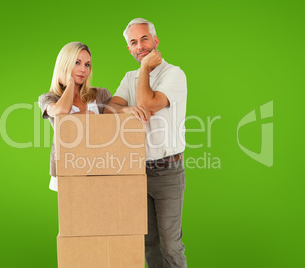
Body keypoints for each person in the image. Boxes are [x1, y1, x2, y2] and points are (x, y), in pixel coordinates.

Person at [104, 18, 187, 267]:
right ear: (128, 49)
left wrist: (144, 70)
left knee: (171, 245)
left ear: (155, 41)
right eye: (133, 42)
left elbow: (147, 103)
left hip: (168, 171)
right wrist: (127, 111)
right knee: (148, 242)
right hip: (136, 171)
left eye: (144, 39)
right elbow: (109, 110)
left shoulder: (174, 74)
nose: (140, 46)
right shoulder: (128, 77)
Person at [38, 42, 112, 191]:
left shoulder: (101, 94)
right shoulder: (49, 98)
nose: (83, 69)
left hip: (100, 165)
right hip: (67, 168)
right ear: (64, 64)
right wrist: (71, 82)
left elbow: (112, 124)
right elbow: (61, 112)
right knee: (73, 213)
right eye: (77, 63)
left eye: (87, 65)